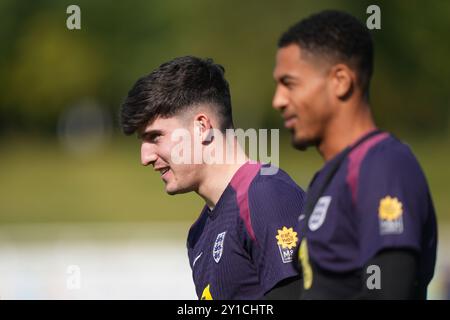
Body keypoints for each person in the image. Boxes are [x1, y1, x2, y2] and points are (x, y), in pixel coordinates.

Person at [272, 10, 437, 299]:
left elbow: (389, 292)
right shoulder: (327, 178)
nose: (278, 100)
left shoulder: (383, 164)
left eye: (290, 83)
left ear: (340, 81)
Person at [121, 56, 305, 299]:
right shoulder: (199, 233)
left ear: (201, 127)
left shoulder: (266, 196)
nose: (145, 157)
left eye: (155, 137)